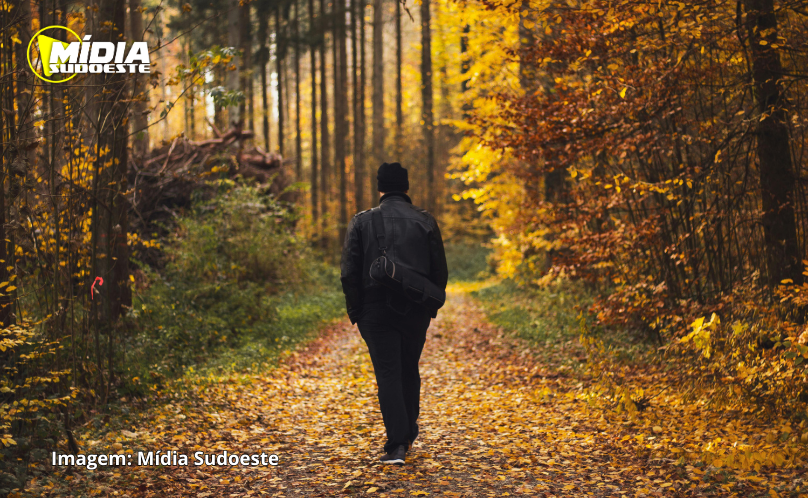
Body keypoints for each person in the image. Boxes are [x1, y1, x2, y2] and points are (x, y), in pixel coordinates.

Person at [340, 162, 448, 465]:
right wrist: (429, 305)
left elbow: (349, 272)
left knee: (388, 373)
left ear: (379, 188)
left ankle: (397, 444)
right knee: (408, 368)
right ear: (407, 187)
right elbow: (439, 271)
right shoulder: (425, 221)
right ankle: (407, 431)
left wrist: (357, 312)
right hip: (415, 308)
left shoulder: (361, 222)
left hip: (374, 309)